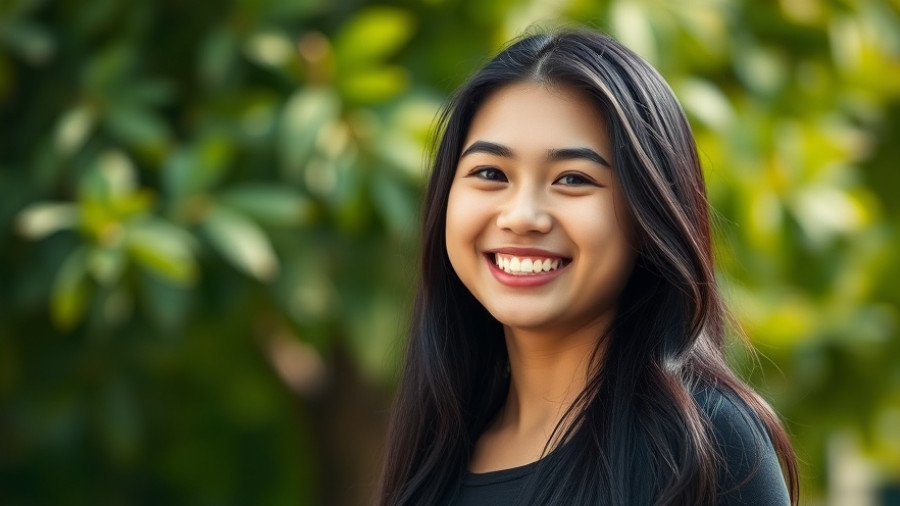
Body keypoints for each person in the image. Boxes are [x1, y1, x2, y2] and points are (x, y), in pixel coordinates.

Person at [376, 29, 798, 505]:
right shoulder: (437, 453)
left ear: (648, 213)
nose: (521, 217)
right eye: (490, 173)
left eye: (573, 179)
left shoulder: (704, 446)